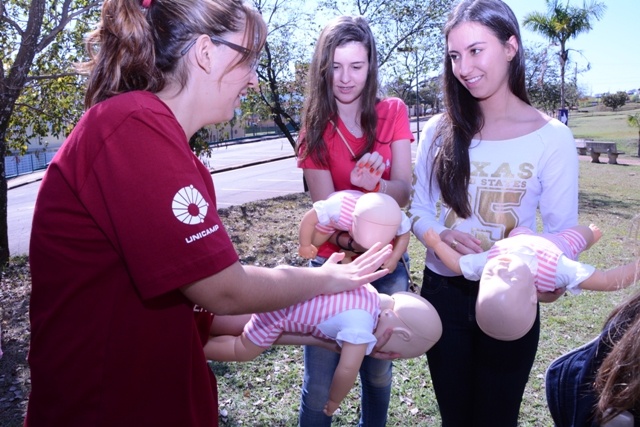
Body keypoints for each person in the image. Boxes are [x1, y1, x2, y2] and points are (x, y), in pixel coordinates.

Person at [25, 1, 394, 426]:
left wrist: (322, 330)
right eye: (248, 59)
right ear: (206, 51)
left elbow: (201, 314)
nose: (255, 79)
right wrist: (325, 279)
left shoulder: (175, 152)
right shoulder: (129, 127)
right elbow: (224, 289)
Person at [408, 0, 579, 425]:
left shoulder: (552, 138)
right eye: (454, 55)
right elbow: (419, 209)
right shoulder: (439, 130)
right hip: (443, 293)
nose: (463, 67)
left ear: (510, 47)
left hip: (509, 299)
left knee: (497, 418)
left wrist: (549, 277)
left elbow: (561, 239)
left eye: (476, 50)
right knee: (455, 417)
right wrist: (439, 238)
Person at [295, 15, 414, 426]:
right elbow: (326, 217)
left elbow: (405, 189)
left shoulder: (393, 111)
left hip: (386, 270)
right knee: (320, 384)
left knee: (378, 374)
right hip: (332, 270)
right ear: (323, 67)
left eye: (356, 66)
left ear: (371, 66)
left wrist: (377, 189)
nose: (345, 78)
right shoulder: (314, 128)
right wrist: (361, 217)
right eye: (336, 67)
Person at [204, 286, 442, 416]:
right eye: (398, 352)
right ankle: (199, 349)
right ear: (401, 335)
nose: (392, 354)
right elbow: (347, 369)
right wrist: (334, 399)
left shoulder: (368, 293)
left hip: (283, 291)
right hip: (277, 315)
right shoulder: (360, 327)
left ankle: (201, 333)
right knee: (243, 349)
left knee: (233, 325)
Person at [423, 225, 640, 340]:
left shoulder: (490, 261)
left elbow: (458, 264)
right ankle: (590, 235)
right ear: (533, 295)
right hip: (560, 243)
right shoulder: (555, 270)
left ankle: (585, 234)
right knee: (582, 234)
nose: (501, 269)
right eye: (508, 277)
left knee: (522, 230)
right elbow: (607, 280)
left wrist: (437, 243)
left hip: (521, 235)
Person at [298, 190, 411, 272]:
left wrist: (394, 258)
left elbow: (405, 234)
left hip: (364, 225)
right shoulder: (337, 208)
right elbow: (309, 219)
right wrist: (305, 245)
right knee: (316, 242)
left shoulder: (397, 217)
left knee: (370, 249)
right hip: (334, 221)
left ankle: (349, 263)